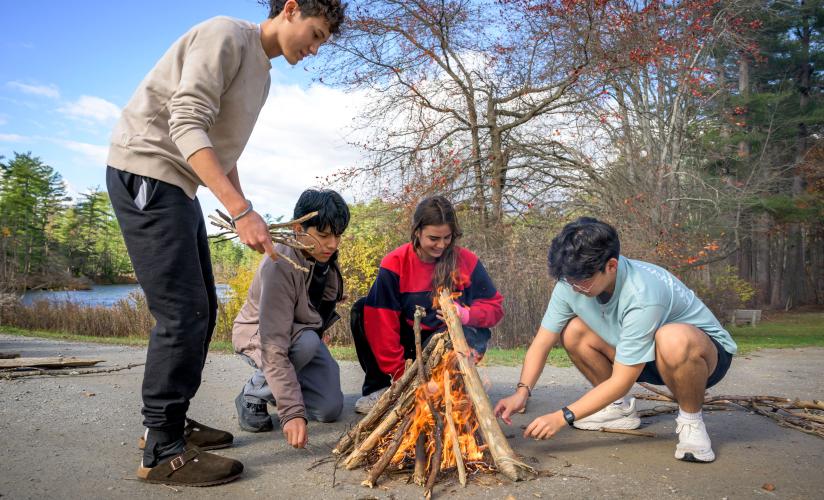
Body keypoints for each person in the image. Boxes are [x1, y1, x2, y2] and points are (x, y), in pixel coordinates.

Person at [106, 0, 346, 486]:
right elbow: (186, 122)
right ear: (290, 9)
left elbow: (222, 144)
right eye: (316, 33)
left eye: (323, 41)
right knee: (181, 312)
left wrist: (245, 204)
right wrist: (239, 210)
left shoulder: (264, 74)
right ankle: (162, 450)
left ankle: (172, 426)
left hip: (182, 183)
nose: (316, 48)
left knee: (202, 311)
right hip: (148, 170)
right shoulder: (226, 35)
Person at [494, 217, 736, 463]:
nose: (575, 288)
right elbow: (542, 342)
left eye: (583, 281)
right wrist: (522, 391)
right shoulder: (571, 282)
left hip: (701, 357)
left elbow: (622, 379)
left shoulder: (643, 292)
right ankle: (617, 409)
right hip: (640, 354)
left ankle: (691, 421)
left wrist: (561, 417)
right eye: (570, 280)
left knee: (673, 337)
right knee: (573, 330)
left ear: (611, 266)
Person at [350, 196, 504, 414]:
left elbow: (495, 308)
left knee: (473, 331)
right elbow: (382, 327)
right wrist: (400, 377)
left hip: (444, 341)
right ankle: (383, 388)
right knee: (362, 309)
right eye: (433, 238)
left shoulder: (466, 261)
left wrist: (466, 315)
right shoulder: (395, 263)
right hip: (407, 343)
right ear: (417, 232)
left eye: (447, 238)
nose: (441, 245)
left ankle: (452, 384)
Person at [232, 188, 348, 449]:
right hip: (260, 335)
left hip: (302, 334)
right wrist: (292, 411)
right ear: (298, 228)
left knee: (329, 409)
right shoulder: (279, 264)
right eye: (323, 235)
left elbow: (322, 305)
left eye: (338, 235)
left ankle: (281, 386)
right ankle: (253, 393)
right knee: (306, 343)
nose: (332, 244)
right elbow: (273, 344)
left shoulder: (324, 258)